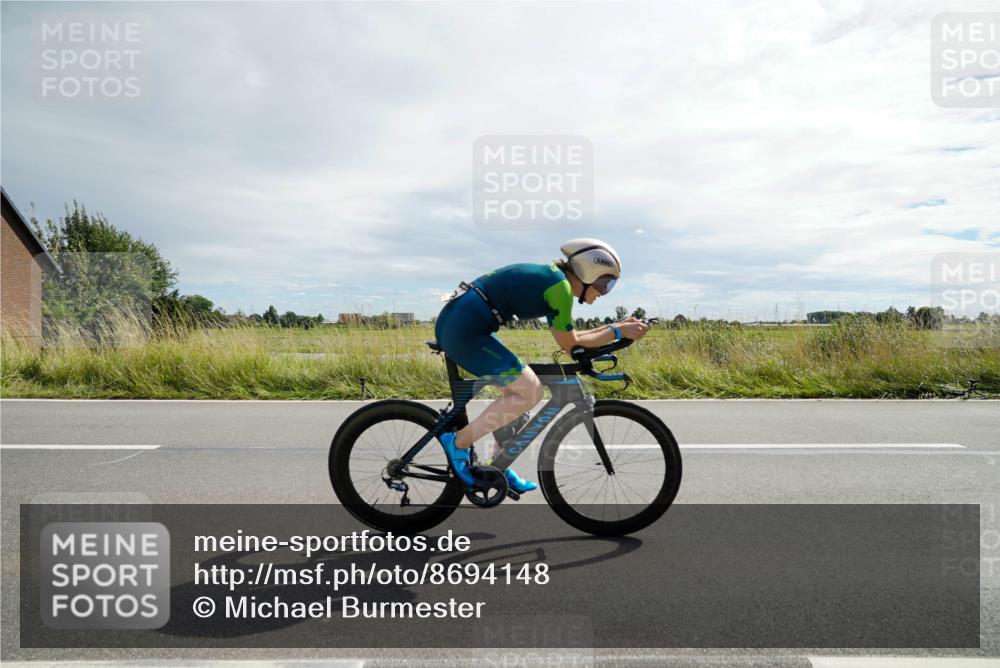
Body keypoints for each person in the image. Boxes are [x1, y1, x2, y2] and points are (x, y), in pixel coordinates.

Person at [433, 238, 649, 493]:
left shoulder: (555, 281)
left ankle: (497, 467)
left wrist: (617, 328)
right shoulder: (560, 288)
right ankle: (458, 442)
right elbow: (572, 346)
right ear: (588, 271)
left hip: (466, 324)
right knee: (529, 390)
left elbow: (573, 339)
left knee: (517, 398)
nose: (604, 291)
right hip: (464, 329)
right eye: (605, 283)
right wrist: (617, 331)